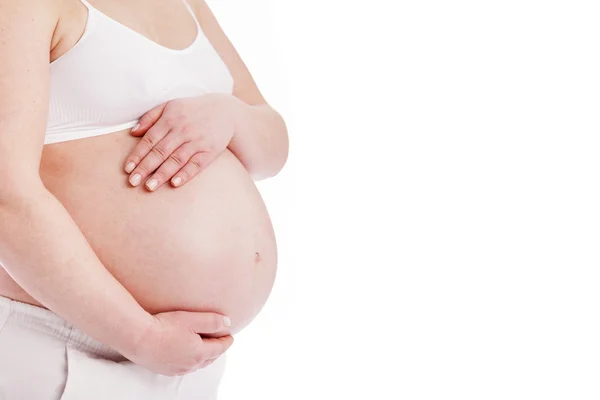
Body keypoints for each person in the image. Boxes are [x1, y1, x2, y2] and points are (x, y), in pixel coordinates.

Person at [0, 0, 288, 398]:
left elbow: (273, 146)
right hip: (71, 347)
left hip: (188, 362)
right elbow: (6, 197)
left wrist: (231, 118)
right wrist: (141, 337)